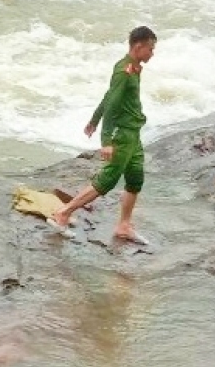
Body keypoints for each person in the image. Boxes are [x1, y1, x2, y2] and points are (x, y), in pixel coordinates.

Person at [49, 26, 157, 243]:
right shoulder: (123, 72)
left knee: (136, 179)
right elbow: (113, 103)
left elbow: (109, 96)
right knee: (107, 180)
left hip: (133, 133)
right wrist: (106, 140)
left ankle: (124, 226)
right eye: (150, 49)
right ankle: (63, 213)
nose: (152, 53)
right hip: (122, 133)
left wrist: (93, 119)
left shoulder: (134, 69)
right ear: (138, 47)